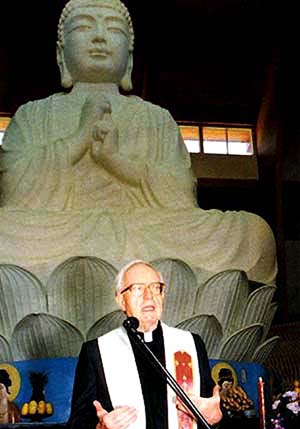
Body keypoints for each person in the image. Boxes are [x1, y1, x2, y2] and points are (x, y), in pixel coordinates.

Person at [0, 0, 277, 288]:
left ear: (129, 58)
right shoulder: (33, 115)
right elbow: (17, 195)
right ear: (61, 54)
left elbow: (180, 201)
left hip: (150, 230)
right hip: (58, 234)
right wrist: (78, 139)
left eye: (112, 28)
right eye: (84, 27)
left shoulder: (157, 118)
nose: (99, 37)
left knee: (253, 234)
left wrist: (117, 162)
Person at [67, 259, 224, 429]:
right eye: (138, 289)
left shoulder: (191, 345)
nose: (148, 296)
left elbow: (211, 415)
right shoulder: (96, 352)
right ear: (120, 300)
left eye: (155, 288)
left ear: (163, 295)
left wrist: (215, 419)